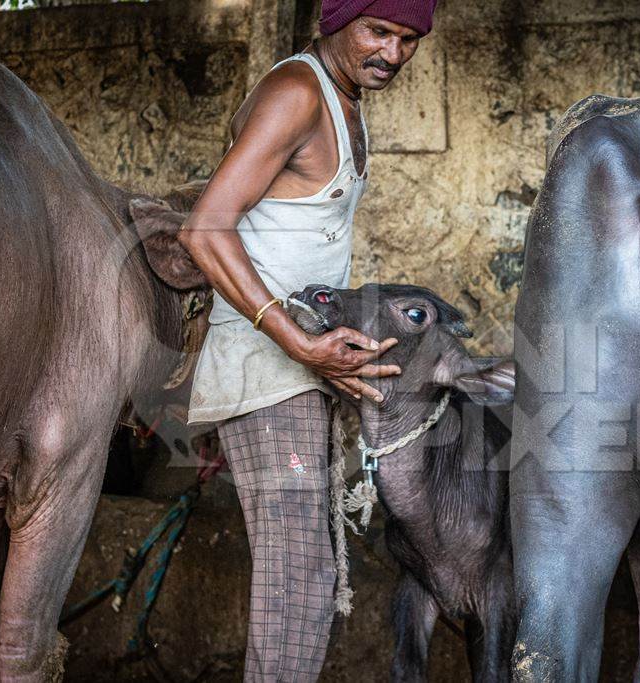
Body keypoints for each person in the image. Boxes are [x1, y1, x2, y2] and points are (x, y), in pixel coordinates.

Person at [177, 0, 438, 679]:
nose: (392, 54)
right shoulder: (296, 93)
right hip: (269, 372)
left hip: (300, 369)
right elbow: (205, 228)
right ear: (336, 20)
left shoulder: (345, 100)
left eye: (408, 39)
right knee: (298, 581)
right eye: (377, 31)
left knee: (308, 576)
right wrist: (296, 341)